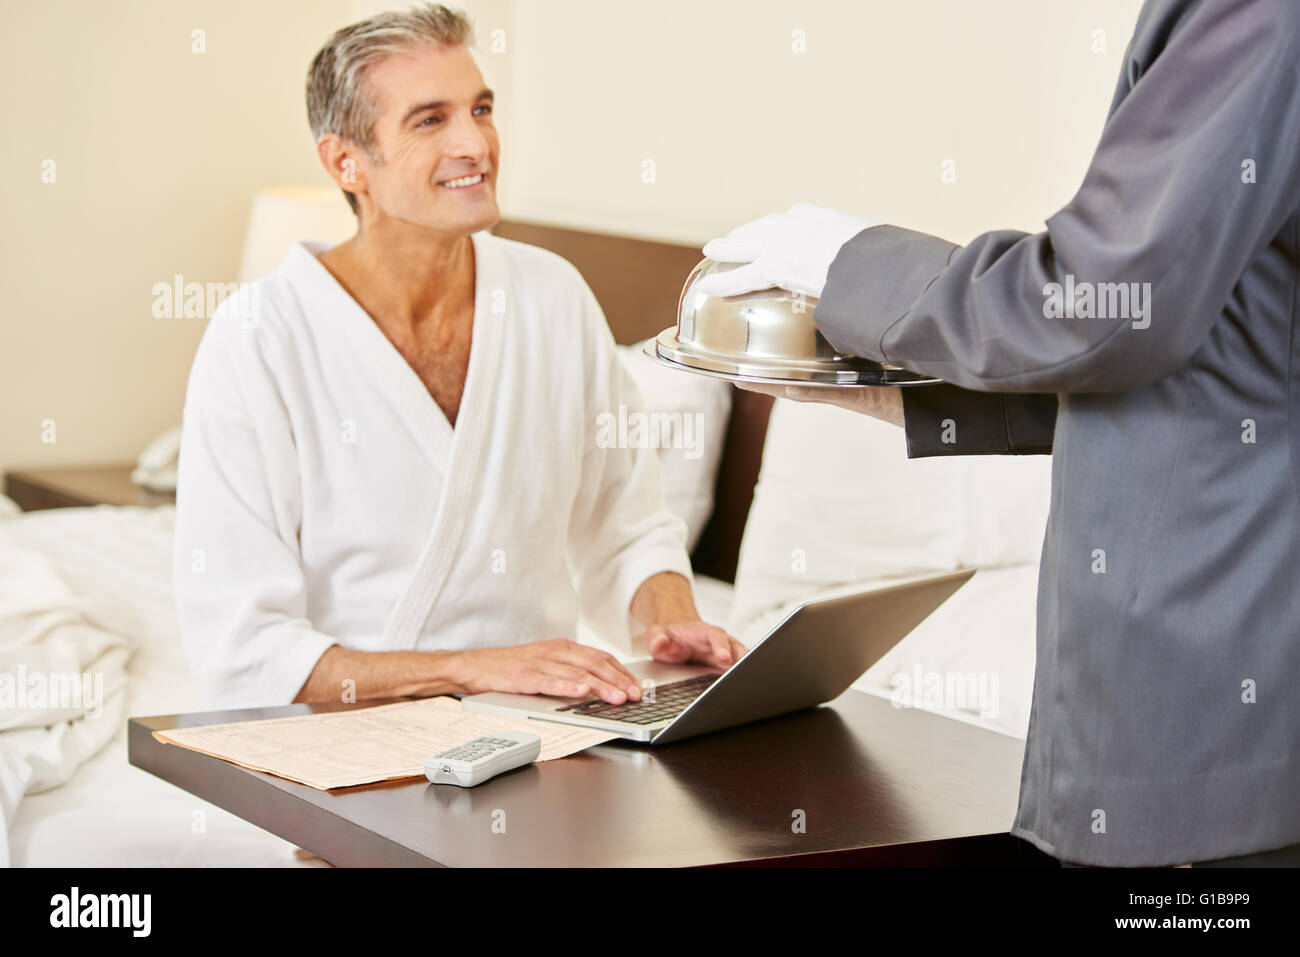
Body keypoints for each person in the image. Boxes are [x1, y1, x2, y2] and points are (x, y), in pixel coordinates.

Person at [699, 0, 1300, 867]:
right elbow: (1223, 348)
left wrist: (853, 264)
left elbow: (1104, 303)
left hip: (1211, 721)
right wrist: (916, 397)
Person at [173, 4, 743, 713]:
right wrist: (474, 669)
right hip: (334, 744)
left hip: (541, 728)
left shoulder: (551, 296)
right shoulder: (259, 338)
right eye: (430, 119)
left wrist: (669, 618)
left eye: (481, 108)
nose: (475, 142)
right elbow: (244, 651)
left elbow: (626, 525)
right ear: (346, 161)